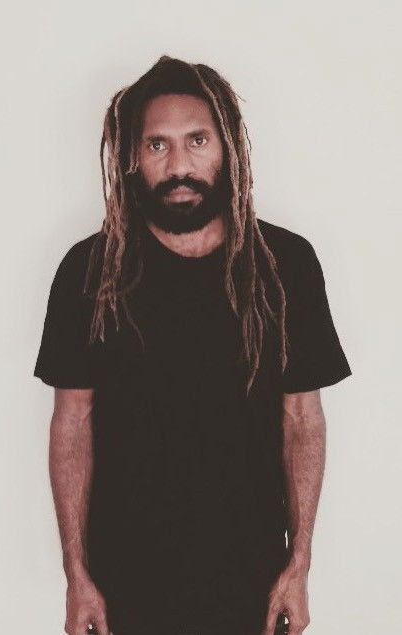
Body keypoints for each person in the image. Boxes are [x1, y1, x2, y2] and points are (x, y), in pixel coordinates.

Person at [33, 55, 352, 635]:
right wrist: (76, 575)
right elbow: (71, 423)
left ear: (227, 148)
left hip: (252, 582)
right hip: (124, 585)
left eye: (197, 141)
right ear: (132, 158)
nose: (179, 165)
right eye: (157, 145)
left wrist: (299, 565)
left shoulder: (286, 265)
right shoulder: (88, 271)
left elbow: (302, 418)